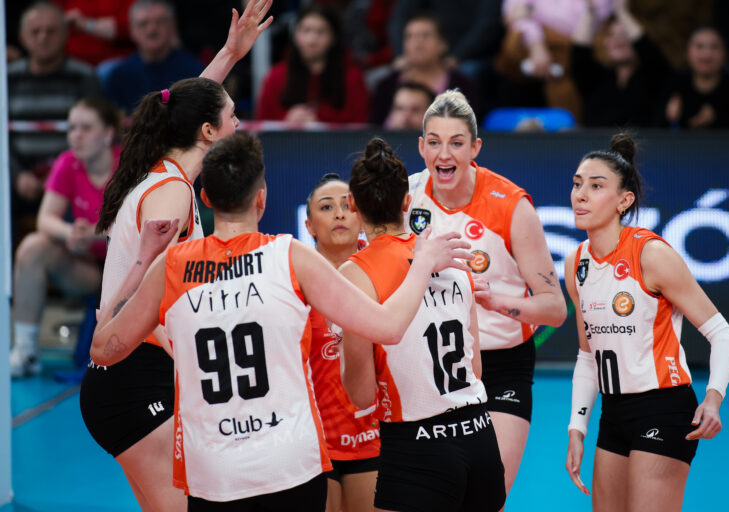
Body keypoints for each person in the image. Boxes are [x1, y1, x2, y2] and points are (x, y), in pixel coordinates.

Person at [89, 131, 471, 510]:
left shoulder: (170, 267)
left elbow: (104, 350)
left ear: (205, 198)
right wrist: (421, 264)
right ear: (261, 197)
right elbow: (389, 327)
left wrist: (142, 258)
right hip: (289, 465)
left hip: (213, 474)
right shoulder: (289, 256)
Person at [79, 2, 274, 510]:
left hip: (129, 374)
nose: (239, 124)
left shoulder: (163, 171)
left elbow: (185, 105)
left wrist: (230, 54)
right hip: (132, 376)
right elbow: (141, 305)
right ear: (208, 132)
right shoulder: (172, 194)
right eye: (232, 117)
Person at [563, 133, 729, 511]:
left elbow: (723, 335)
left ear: (624, 201)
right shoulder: (576, 262)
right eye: (577, 184)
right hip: (613, 413)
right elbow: (588, 356)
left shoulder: (651, 254)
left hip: (664, 407)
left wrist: (713, 398)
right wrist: (577, 428)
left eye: (596, 186)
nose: (580, 195)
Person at [405, 89, 567, 495]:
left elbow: (554, 308)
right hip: (429, 365)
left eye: (457, 143)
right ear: (421, 147)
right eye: (435, 143)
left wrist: (497, 301)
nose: (445, 155)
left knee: (486, 498)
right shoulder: (405, 198)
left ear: (475, 148)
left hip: (501, 366)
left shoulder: (511, 206)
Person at [340, 137, 506, 512]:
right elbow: (476, 368)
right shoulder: (449, 257)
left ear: (352, 204)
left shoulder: (355, 274)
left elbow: (361, 395)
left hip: (417, 447)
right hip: (480, 436)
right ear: (406, 202)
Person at [10, 97, 121, 378]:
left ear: (108, 133)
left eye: (86, 128)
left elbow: (141, 226)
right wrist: (70, 233)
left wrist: (94, 234)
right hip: (89, 269)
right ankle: (25, 351)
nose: (76, 135)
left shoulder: (128, 165)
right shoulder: (67, 162)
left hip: (130, 270)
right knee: (33, 247)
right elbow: (45, 219)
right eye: (71, 128)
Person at [304, 174, 380, 512]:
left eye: (347, 206)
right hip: (313, 445)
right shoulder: (291, 281)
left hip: (376, 440)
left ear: (360, 216)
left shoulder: (385, 271)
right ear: (309, 225)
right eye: (326, 207)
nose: (338, 214)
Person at [8, 1, 101, 246]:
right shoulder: (6, 78)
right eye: (35, 31)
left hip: (70, 176)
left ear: (65, 35)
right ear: (22, 37)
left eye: (51, 31)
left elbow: (94, 134)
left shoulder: (84, 76)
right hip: (17, 177)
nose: (43, 38)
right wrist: (17, 175)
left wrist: (57, 174)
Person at [256, 4, 369, 124]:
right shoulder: (276, 76)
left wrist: (319, 117)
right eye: (306, 30)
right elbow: (263, 121)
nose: (311, 40)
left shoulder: (351, 77)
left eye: (320, 32)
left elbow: (360, 122)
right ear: (295, 35)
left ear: (333, 37)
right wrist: (288, 118)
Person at [571, 0, 670, 127]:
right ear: (605, 44)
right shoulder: (597, 80)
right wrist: (590, 11)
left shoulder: (653, 78)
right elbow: (579, 52)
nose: (617, 39)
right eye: (611, 35)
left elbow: (649, 52)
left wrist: (622, 11)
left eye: (624, 34)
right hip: (598, 140)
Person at [371, 12, 477, 126]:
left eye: (426, 35)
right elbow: (374, 128)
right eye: (410, 36)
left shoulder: (463, 87)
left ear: (443, 44)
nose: (418, 42)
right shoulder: (386, 85)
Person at [102, 0, 205, 114]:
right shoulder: (119, 76)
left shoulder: (194, 72)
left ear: (173, 26)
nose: (151, 30)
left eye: (160, 22)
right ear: (132, 30)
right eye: (143, 24)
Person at [660, 26, 729, 129]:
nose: (706, 55)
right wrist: (671, 118)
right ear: (687, 52)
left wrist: (718, 119)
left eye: (714, 47)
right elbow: (655, 128)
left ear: (725, 53)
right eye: (699, 47)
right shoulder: (675, 85)